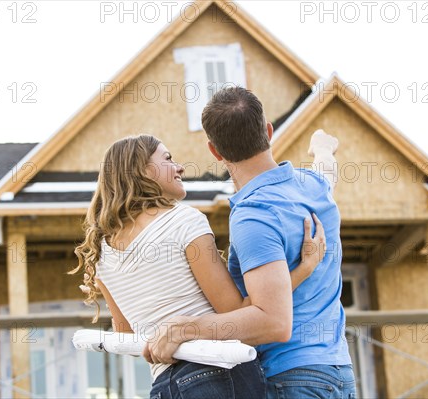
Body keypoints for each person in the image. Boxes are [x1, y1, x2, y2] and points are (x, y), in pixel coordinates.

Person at [70, 134, 327, 399]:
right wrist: (303, 269)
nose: (179, 167)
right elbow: (238, 312)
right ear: (141, 171)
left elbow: (126, 334)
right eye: (168, 159)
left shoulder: (102, 251)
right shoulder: (183, 220)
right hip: (217, 374)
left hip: (164, 386)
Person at [143, 87, 356, 399]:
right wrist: (322, 149)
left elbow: (273, 322)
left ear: (215, 151)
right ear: (268, 132)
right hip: (337, 374)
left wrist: (186, 329)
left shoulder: (254, 216)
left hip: (290, 378)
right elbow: (328, 171)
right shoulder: (313, 186)